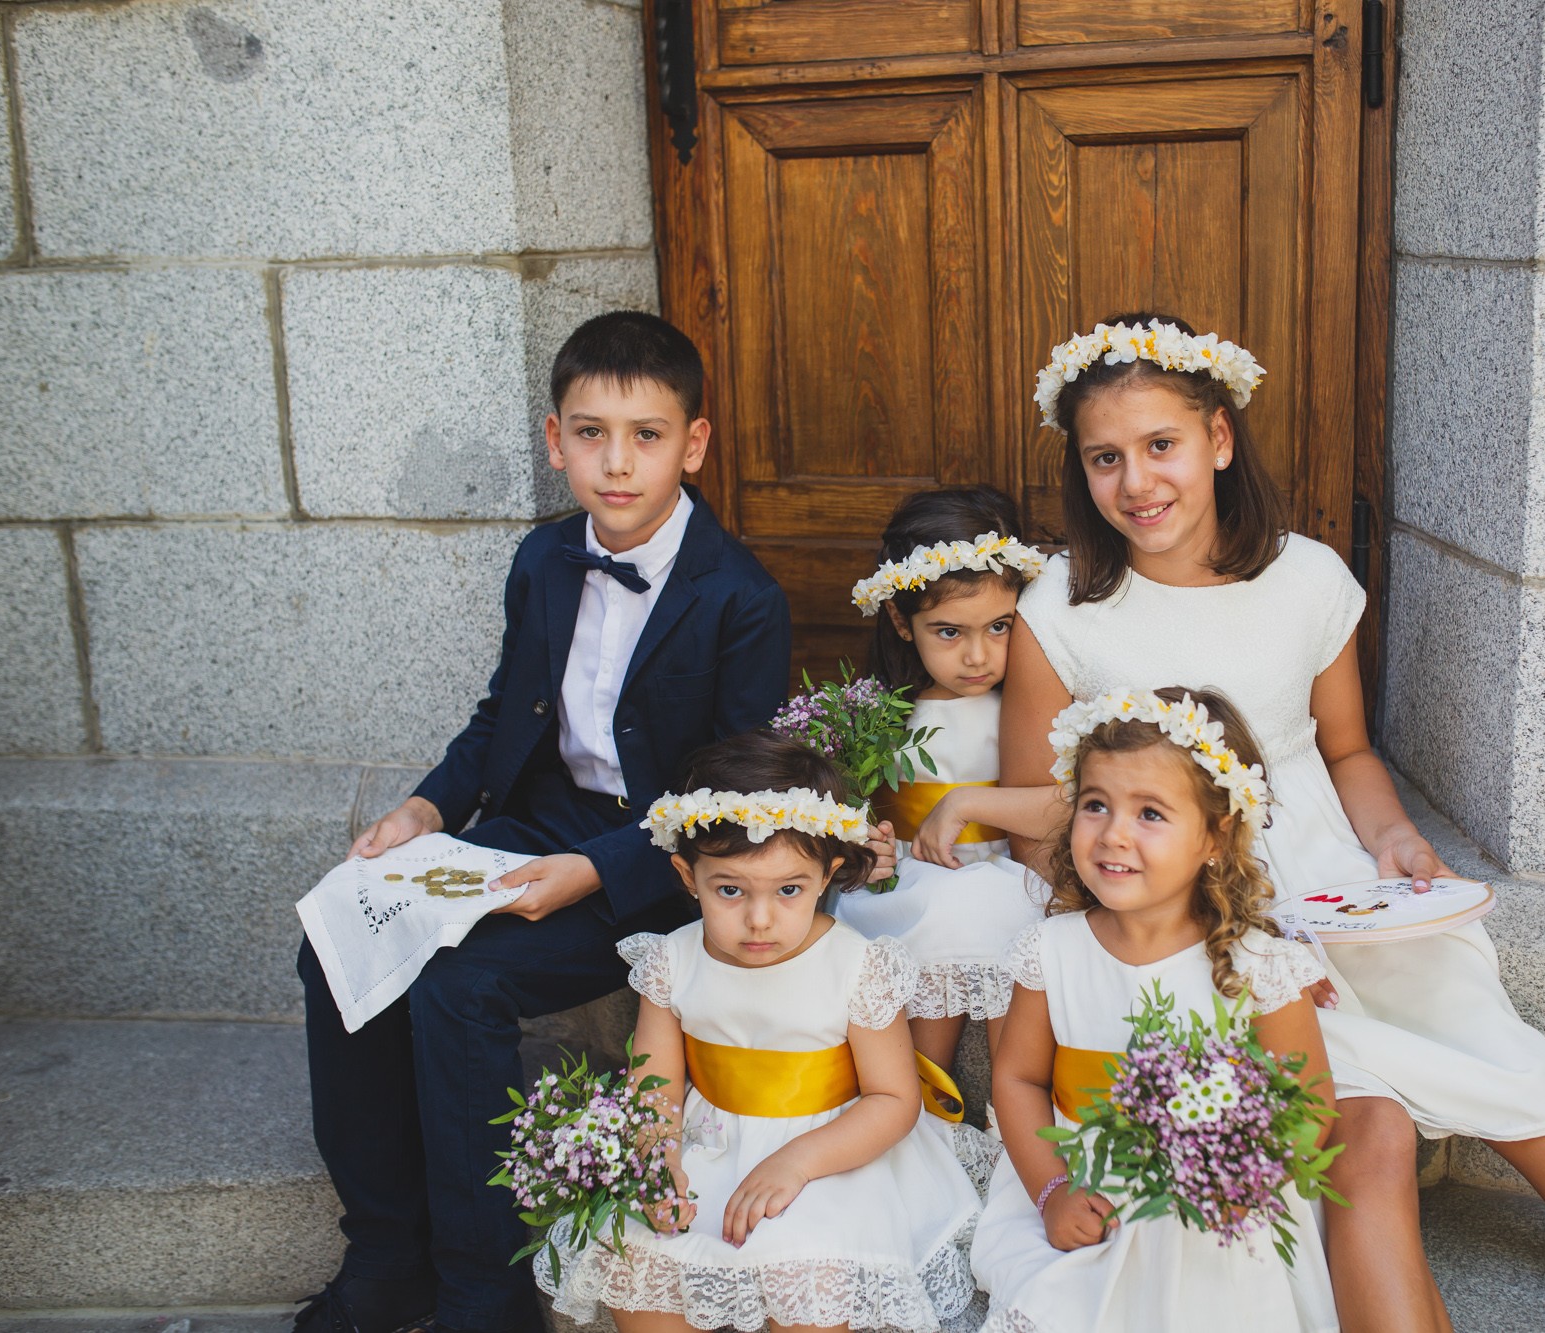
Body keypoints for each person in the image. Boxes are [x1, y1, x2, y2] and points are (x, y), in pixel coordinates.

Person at [993, 315, 1545, 1332]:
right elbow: (1043, 808)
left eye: (1159, 445)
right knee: (1370, 1128)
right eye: (1104, 458)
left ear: (1218, 438)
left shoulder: (1305, 577)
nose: (1135, 481)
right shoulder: (1063, 604)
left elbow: (1345, 749)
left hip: (1327, 880)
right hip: (1185, 911)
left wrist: (1391, 841)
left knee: (1516, 1072)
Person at [294, 311, 794, 1333]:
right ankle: (388, 1253)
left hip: (656, 861)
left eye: (646, 435)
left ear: (692, 443)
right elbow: (500, 717)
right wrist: (427, 806)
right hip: (531, 823)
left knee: (458, 987)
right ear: (555, 437)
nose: (616, 462)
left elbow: (737, 797)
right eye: (590, 432)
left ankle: (485, 1290)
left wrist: (596, 871)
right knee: (334, 934)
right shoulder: (542, 559)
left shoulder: (740, 594)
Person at [538, 731, 982, 1333]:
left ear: (825, 877)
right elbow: (655, 1089)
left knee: (808, 1288)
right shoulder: (671, 962)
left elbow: (894, 1099)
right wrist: (658, 1157)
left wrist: (798, 1162)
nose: (759, 918)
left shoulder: (856, 965)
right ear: (686, 875)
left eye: (789, 890)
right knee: (638, 1280)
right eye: (729, 890)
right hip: (711, 1142)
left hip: (833, 1152)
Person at [972, 686, 1338, 1332]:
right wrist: (1052, 1191)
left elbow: (1308, 1104)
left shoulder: (1254, 965)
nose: (1114, 833)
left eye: (1150, 813)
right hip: (1081, 1182)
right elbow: (1018, 1078)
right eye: (1095, 804)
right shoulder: (1051, 951)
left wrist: (1239, 1185)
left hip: (1212, 1200)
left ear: (1216, 837)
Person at [833, 485, 1055, 1088]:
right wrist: (869, 846)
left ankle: (1015, 1095)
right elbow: (861, 807)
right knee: (938, 915)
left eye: (999, 627)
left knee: (984, 913)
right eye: (949, 632)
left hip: (1008, 872)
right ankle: (926, 1096)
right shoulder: (882, 716)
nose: (978, 656)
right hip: (914, 873)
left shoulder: (1031, 710)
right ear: (903, 623)